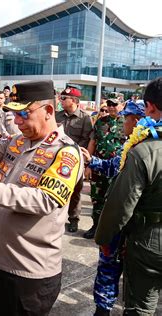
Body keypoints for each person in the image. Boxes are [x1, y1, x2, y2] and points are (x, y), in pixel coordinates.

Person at [0, 80, 83, 315]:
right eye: (14, 114)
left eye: (24, 114)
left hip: (31, 273)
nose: (17, 121)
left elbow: (45, 200)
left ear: (48, 111)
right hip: (1, 263)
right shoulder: (17, 141)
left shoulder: (65, 152)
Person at [95, 78, 162, 315]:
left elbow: (121, 205)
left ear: (150, 107)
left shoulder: (144, 150)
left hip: (149, 239)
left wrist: (104, 237)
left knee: (140, 307)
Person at [81, 100, 145, 316]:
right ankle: (103, 309)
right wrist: (91, 161)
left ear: (135, 121)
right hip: (125, 223)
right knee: (110, 268)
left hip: (130, 223)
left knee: (123, 270)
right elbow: (112, 167)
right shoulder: (132, 146)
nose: (122, 122)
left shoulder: (142, 149)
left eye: (125, 118)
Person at [84, 97, 126, 239]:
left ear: (121, 105)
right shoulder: (101, 121)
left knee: (116, 200)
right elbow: (92, 142)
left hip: (117, 169)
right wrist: (88, 165)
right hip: (98, 166)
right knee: (97, 198)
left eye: (114, 104)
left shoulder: (128, 122)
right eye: (109, 104)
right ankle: (96, 226)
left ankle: (113, 230)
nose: (111, 107)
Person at [55, 86, 92, 233]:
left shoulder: (85, 118)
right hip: (56, 158)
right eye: (61, 98)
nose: (61, 100)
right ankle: (54, 216)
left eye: (64, 98)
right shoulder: (57, 116)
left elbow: (87, 139)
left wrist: (73, 152)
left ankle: (74, 219)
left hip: (75, 159)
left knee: (76, 191)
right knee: (55, 188)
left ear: (75, 101)